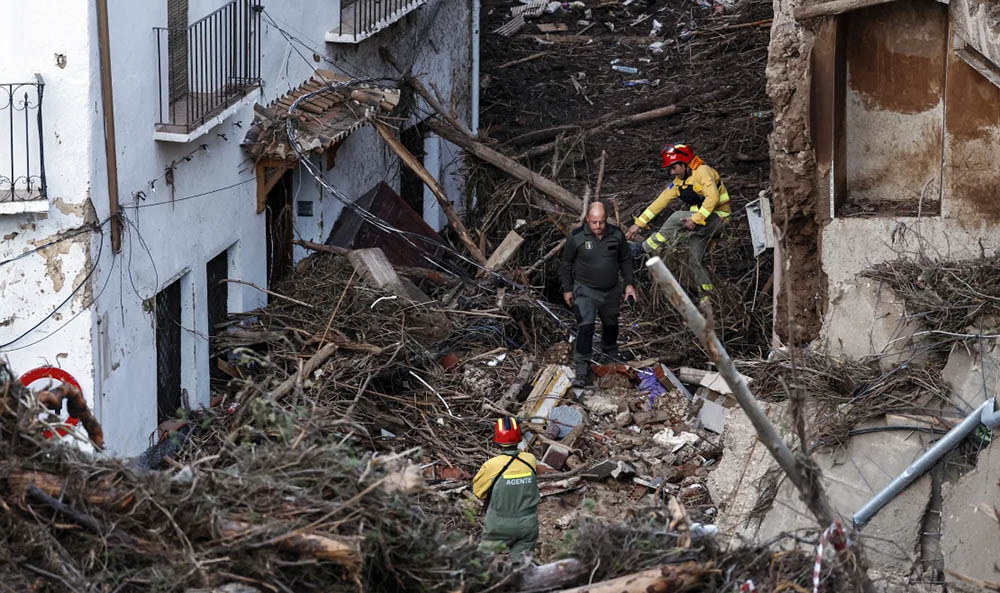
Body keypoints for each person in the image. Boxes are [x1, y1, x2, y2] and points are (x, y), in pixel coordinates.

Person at [625, 144, 731, 302]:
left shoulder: (703, 171)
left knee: (676, 217)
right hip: (702, 223)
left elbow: (713, 198)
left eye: (674, 167)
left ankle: (644, 249)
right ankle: (707, 296)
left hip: (719, 218)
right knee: (693, 258)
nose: (672, 172)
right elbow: (659, 202)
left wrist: (695, 219)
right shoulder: (678, 183)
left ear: (685, 163)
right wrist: (639, 224)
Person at [560, 202, 637, 388]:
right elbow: (566, 264)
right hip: (585, 290)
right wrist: (567, 289)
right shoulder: (577, 237)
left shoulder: (616, 235)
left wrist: (629, 284)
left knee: (611, 324)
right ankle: (581, 369)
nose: (598, 226)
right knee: (585, 326)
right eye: (594, 222)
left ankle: (610, 354)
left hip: (611, 290)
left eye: (601, 222)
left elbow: (625, 260)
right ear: (588, 219)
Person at [472, 417, 540, 558]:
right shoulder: (530, 460)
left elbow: (478, 492)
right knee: (522, 567)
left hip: (499, 525)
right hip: (528, 524)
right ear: (519, 437)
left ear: (497, 440)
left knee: (484, 564)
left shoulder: (492, 465)